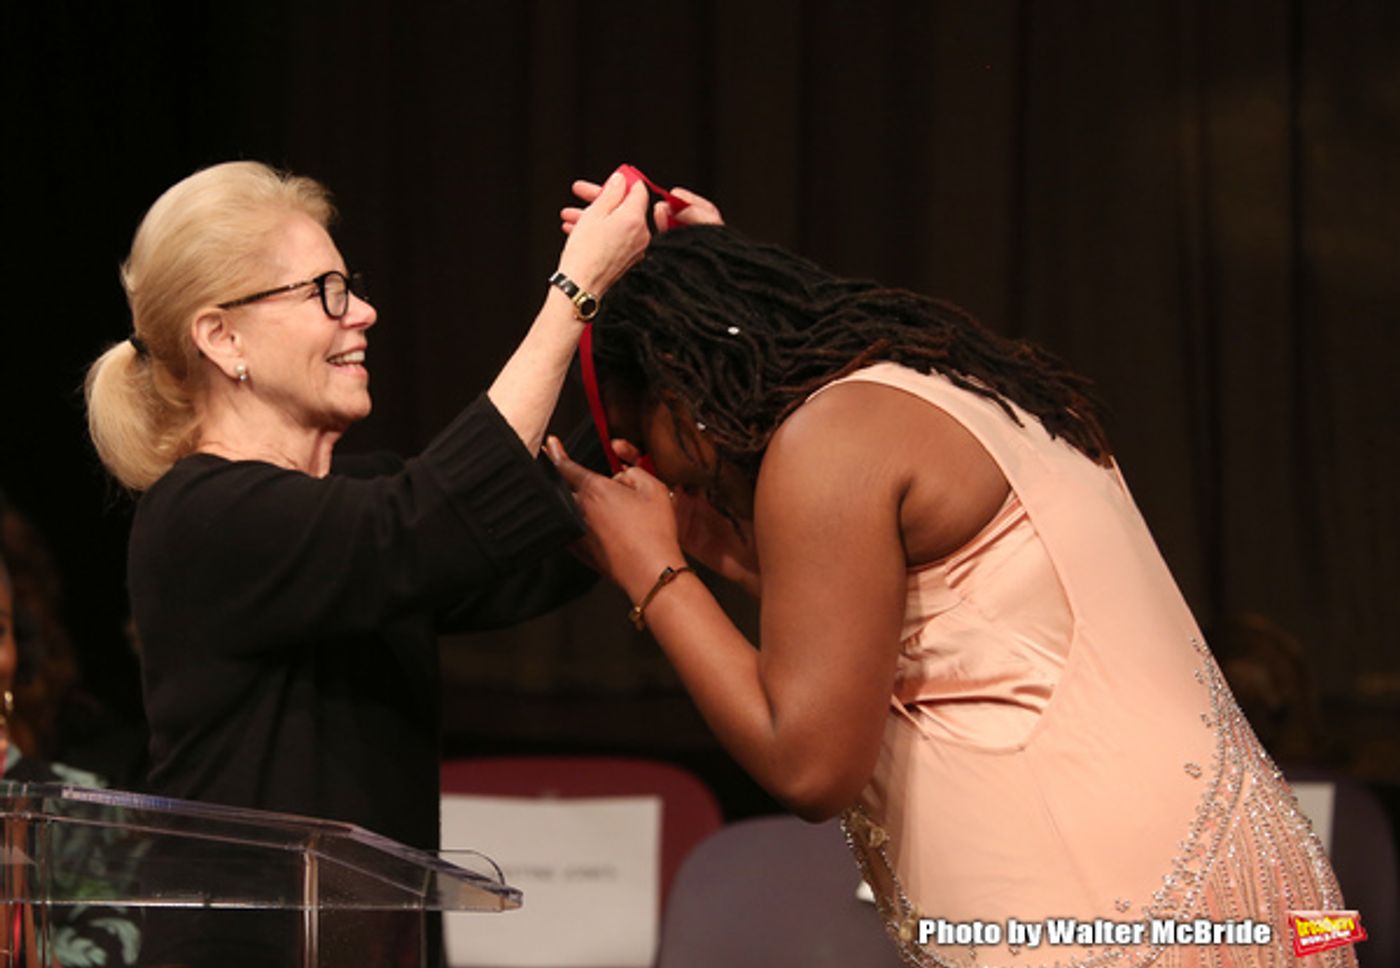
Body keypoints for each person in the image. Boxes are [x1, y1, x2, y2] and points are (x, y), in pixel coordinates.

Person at [547, 207, 1356, 966]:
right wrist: (721, 555)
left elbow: (809, 766)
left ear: (682, 384)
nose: (652, 469)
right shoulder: (954, 389)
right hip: (1247, 898)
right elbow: (954, 634)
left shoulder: (829, 440)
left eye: (642, 436)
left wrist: (653, 573)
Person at [82, 161, 648, 964]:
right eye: (326, 292)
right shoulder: (201, 518)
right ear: (222, 337)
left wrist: (648, 300)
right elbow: (432, 522)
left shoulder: (355, 503)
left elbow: (534, 533)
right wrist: (574, 292)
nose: (365, 314)